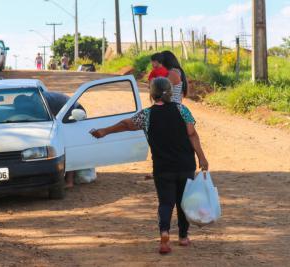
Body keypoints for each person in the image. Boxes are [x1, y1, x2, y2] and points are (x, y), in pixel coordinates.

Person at [90, 77, 209, 255]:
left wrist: (105, 131)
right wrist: (202, 158)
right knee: (183, 202)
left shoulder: (147, 115)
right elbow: (192, 134)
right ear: (170, 93)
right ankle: (183, 237)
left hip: (163, 168)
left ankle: (164, 234)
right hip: (185, 165)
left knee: (166, 202)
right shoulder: (182, 109)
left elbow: (125, 125)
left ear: (152, 95)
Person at [43, 91, 86, 188]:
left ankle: (69, 181)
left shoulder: (41, 102)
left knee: (68, 145)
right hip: (64, 111)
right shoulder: (38, 97)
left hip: (74, 112)